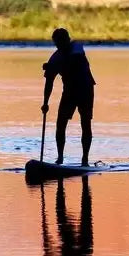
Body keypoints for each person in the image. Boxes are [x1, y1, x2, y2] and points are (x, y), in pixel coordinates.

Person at [41, 28, 96, 166]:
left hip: (85, 89)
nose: (60, 45)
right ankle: (60, 158)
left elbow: (75, 60)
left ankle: (85, 160)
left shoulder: (76, 46)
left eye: (62, 41)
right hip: (69, 91)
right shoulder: (55, 58)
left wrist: (54, 65)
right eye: (57, 43)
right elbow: (49, 82)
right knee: (60, 124)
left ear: (68, 39)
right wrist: (45, 102)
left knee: (85, 123)